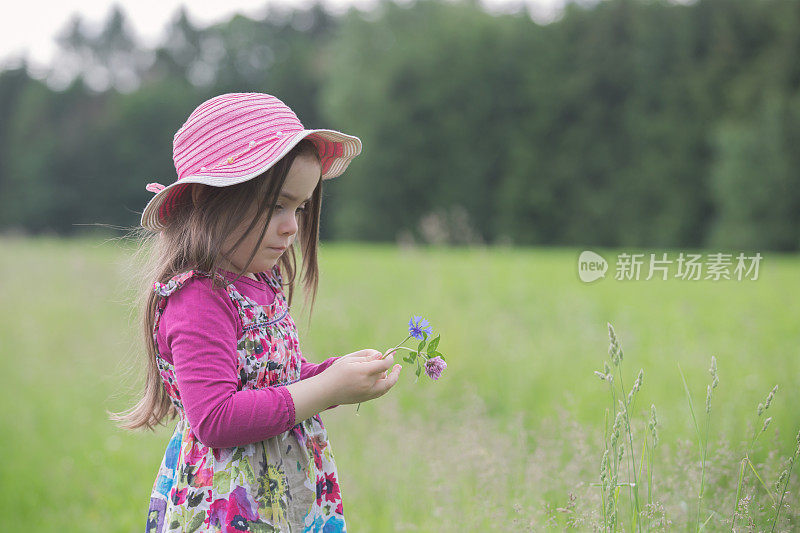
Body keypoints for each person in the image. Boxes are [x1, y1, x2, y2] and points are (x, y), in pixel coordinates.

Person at [108, 93, 402, 533]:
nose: (292, 226)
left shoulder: (261, 282)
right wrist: (326, 388)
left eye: (299, 208)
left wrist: (335, 375)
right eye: (275, 206)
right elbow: (216, 418)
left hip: (279, 496)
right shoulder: (199, 299)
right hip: (228, 506)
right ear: (212, 202)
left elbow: (271, 381)